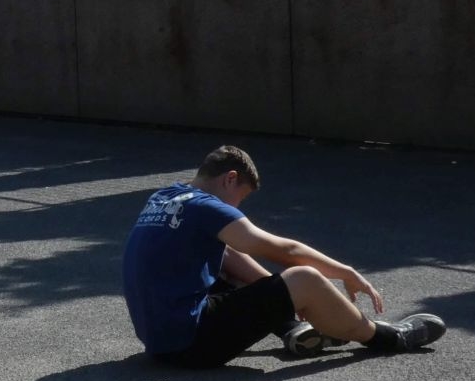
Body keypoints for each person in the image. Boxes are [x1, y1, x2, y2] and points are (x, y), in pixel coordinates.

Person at [122, 145, 446, 368]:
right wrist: (345, 272)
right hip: (190, 345)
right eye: (240, 198)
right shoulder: (206, 207)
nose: (237, 207)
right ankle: (387, 337)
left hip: (160, 341)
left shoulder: (165, 197)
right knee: (305, 278)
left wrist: (283, 299)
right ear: (230, 178)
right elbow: (284, 250)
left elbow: (231, 255)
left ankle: (294, 326)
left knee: (226, 255)